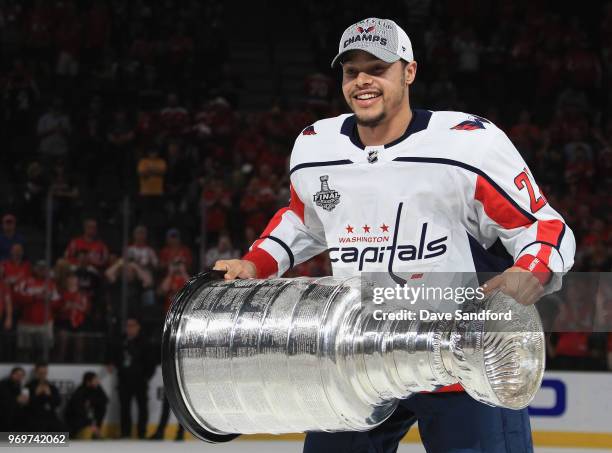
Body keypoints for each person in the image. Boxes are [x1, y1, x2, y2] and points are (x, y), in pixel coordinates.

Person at [214, 18, 576, 453]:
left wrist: (529, 270)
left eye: (378, 68)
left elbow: (542, 226)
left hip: (463, 357)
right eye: (352, 71)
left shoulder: (467, 144)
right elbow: (303, 222)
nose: (363, 81)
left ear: (409, 71)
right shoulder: (315, 147)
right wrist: (254, 262)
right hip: (361, 354)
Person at [107, 317, 155, 439]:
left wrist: (146, 377)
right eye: (128, 325)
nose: (129, 328)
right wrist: (110, 362)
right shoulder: (121, 340)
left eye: (132, 325)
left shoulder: (145, 342)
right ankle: (125, 433)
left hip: (140, 380)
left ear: (138, 327)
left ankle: (141, 433)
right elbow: (112, 353)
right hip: (124, 379)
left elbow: (151, 361)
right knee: (124, 407)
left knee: (142, 407)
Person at [13, 261, 61, 362]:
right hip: (26, 323)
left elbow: (58, 302)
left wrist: (48, 300)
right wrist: (35, 297)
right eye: (40, 268)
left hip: (45, 323)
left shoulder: (51, 284)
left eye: (44, 268)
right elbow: (17, 297)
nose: (42, 271)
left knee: (44, 351)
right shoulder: (24, 281)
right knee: (24, 351)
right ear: (34, 269)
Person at [64, 371, 108, 439]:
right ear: (88, 382)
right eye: (95, 380)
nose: (97, 381)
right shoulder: (80, 392)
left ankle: (96, 433)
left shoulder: (97, 388)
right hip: (75, 418)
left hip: (87, 416)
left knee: (102, 407)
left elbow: (105, 400)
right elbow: (78, 411)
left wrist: (91, 402)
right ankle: (72, 434)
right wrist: (90, 423)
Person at [26, 362, 65, 432]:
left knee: (62, 430)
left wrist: (49, 395)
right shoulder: (29, 387)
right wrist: (36, 394)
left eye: (45, 373)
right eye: (40, 373)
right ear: (36, 372)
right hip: (33, 417)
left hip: (49, 417)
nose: (43, 375)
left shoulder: (51, 387)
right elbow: (25, 404)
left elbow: (57, 402)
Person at [0, 367, 29, 431]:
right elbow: (4, 401)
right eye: (17, 375)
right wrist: (16, 399)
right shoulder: (3, 385)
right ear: (12, 374)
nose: (19, 377)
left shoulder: (20, 386)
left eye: (21, 375)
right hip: (5, 416)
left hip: (17, 417)